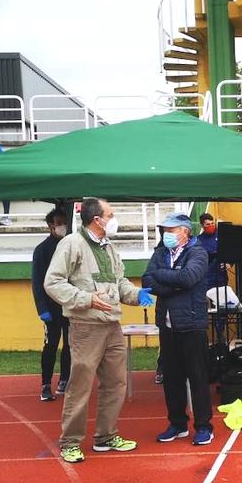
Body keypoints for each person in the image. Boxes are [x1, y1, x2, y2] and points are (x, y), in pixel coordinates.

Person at [44, 197, 154, 463]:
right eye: (111, 214)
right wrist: (86, 299)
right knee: (80, 386)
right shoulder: (72, 243)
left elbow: (119, 282)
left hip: (112, 325)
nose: (114, 218)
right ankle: (70, 442)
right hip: (86, 326)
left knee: (116, 382)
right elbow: (53, 282)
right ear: (97, 219)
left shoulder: (109, 247)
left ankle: (105, 437)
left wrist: (137, 294)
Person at [143, 213, 215, 446]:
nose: (166, 235)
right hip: (167, 324)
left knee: (197, 377)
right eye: (164, 230)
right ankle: (177, 423)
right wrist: (171, 283)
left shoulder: (198, 252)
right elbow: (147, 280)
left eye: (171, 230)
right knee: (172, 378)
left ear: (185, 231)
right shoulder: (160, 252)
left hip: (191, 324)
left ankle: (204, 426)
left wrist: (163, 279)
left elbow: (188, 278)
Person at [32, 208, 72, 402]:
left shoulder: (72, 246)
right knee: (51, 345)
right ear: (50, 225)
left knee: (70, 345)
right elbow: (37, 281)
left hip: (70, 306)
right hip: (51, 307)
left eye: (65, 222)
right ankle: (45, 384)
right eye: (59, 222)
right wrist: (42, 309)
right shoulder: (42, 250)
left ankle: (65, 379)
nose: (62, 226)